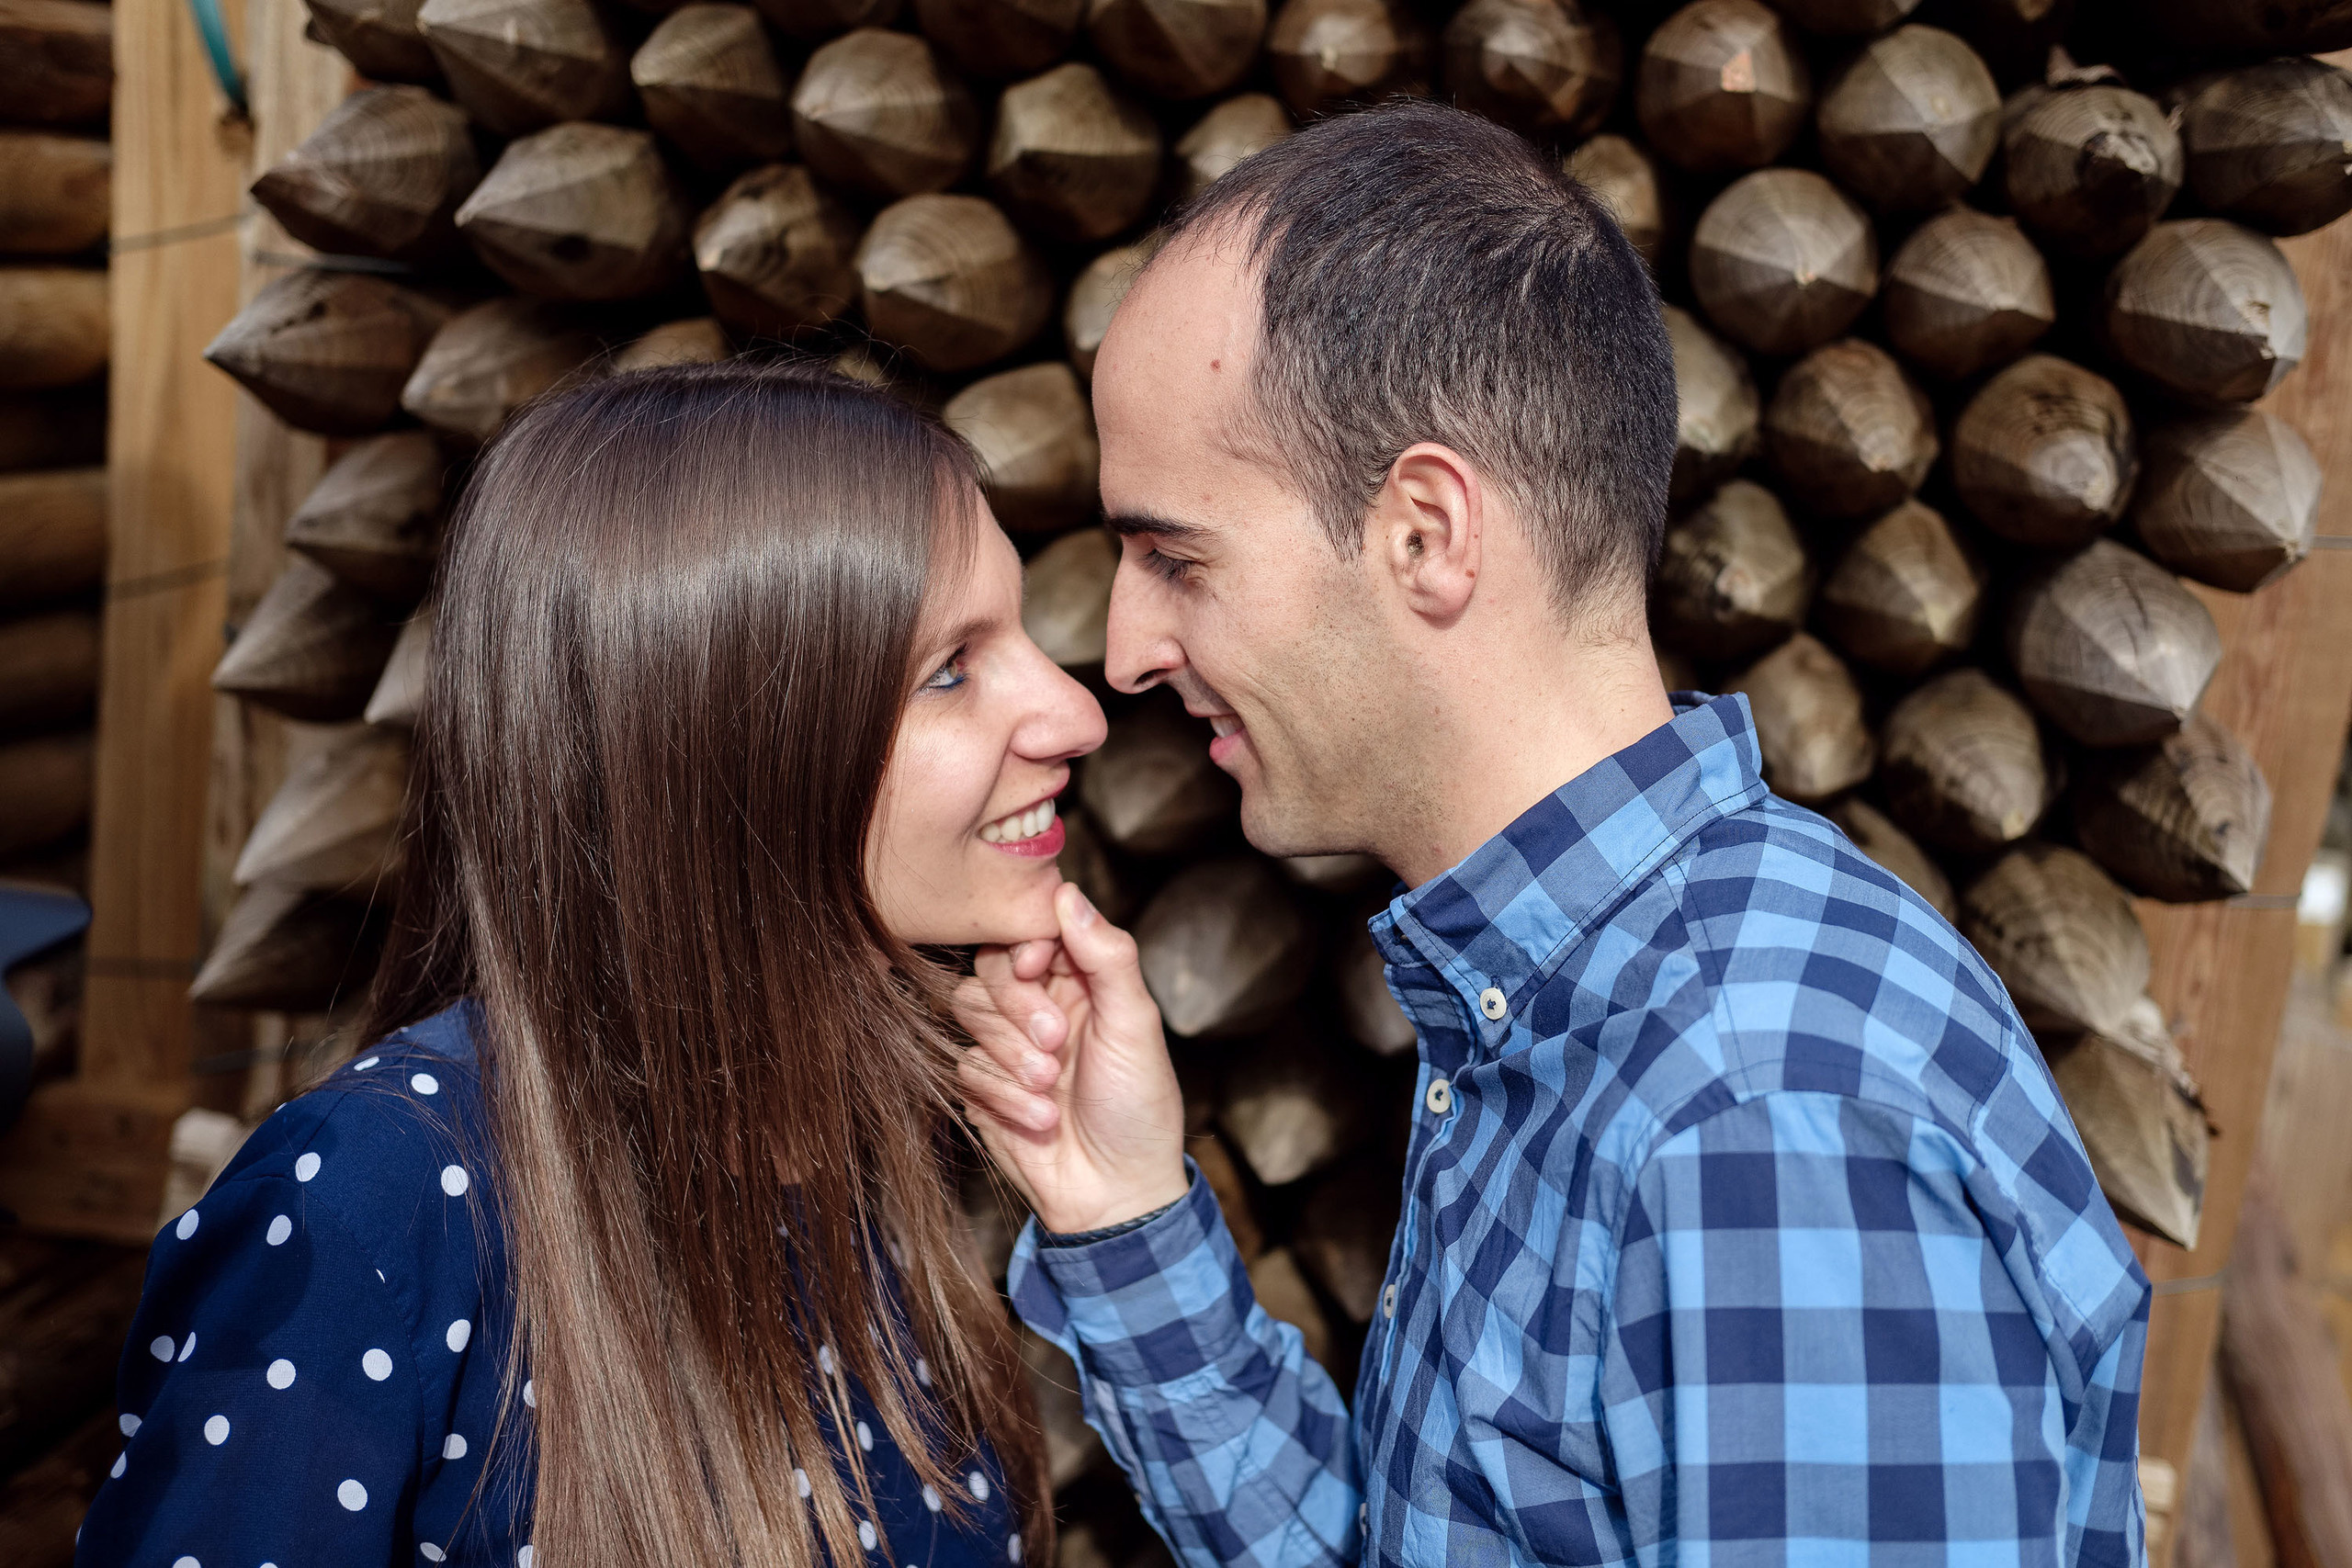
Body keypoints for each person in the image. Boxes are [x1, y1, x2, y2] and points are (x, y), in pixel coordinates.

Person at [951, 101, 2153, 1568]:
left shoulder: (1759, 1119)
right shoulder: (1574, 1015)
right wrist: (1125, 1211)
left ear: (1426, 535)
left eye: (1173, 556)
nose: (1125, 646)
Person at [76, 364, 1106, 1568]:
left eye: (1023, 635)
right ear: (718, 741)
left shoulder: (856, 1130)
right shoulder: (375, 1202)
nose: (1073, 711)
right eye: (953, 669)